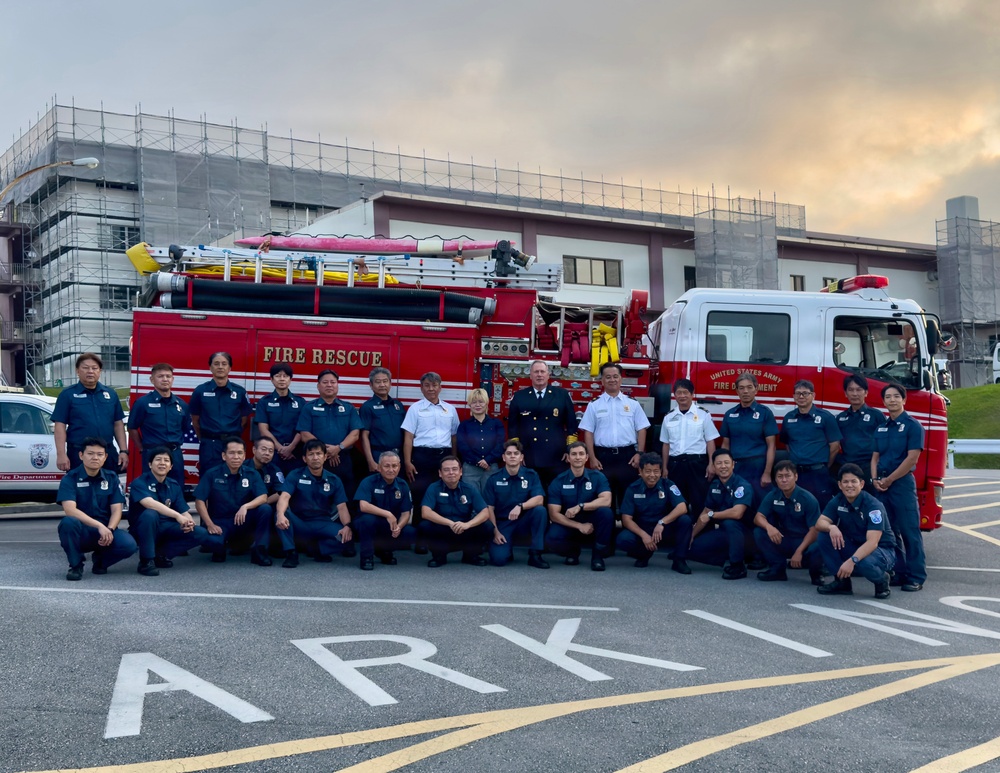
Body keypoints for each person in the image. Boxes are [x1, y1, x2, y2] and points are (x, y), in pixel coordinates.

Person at [275, 439, 366, 568]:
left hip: (323, 523)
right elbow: (284, 497)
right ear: (305, 458)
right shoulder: (295, 475)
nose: (315, 457)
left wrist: (347, 526)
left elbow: (342, 507)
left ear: (325, 457)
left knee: (346, 539)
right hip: (299, 522)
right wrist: (280, 514)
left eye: (318, 454)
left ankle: (316, 548)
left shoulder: (334, 480)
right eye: (311, 454)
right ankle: (291, 553)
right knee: (281, 514)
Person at [56, 437, 137, 580]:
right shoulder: (70, 478)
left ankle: (101, 560)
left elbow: (117, 509)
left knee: (129, 545)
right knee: (68, 523)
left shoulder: (111, 477)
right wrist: (99, 526)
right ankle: (75, 566)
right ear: (81, 455)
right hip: (83, 531)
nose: (95, 458)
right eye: (90, 453)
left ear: (105, 457)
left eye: (100, 454)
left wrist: (110, 529)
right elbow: (70, 510)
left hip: (106, 529)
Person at [872, 383, 926, 592]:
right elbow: (875, 457)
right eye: (888, 397)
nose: (892, 400)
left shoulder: (913, 426)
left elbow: (912, 457)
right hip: (882, 485)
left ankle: (916, 576)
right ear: (883, 401)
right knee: (890, 532)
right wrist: (875, 479)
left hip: (901, 484)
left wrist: (890, 479)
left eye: (896, 396)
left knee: (909, 530)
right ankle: (900, 572)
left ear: (904, 400)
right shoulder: (881, 427)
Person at [578, 362, 650, 513]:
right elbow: (588, 432)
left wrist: (639, 453)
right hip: (603, 458)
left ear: (621, 379)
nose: (612, 380)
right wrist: (591, 457)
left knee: (628, 501)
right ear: (602, 381)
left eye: (615, 376)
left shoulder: (633, 404)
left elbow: (642, 429)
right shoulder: (594, 405)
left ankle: (627, 535)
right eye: (608, 377)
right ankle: (607, 535)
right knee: (604, 502)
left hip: (628, 457)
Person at [814, 463, 895, 599]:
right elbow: (819, 523)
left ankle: (882, 580)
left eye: (853, 481)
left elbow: (873, 543)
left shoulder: (873, 506)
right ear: (840, 485)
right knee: (824, 536)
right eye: (845, 482)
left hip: (881, 550)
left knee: (863, 561)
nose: (849, 485)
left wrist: (851, 561)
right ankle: (842, 582)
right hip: (856, 545)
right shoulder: (839, 500)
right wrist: (831, 527)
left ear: (862, 484)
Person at [130, 446, 212, 576]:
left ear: (171, 466)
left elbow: (183, 509)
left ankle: (161, 555)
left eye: (166, 460)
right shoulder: (139, 482)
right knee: (150, 514)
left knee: (200, 533)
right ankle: (146, 561)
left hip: (166, 526)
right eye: (158, 460)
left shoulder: (173, 484)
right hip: (145, 528)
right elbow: (149, 503)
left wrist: (189, 522)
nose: (162, 463)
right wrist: (178, 516)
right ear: (150, 464)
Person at [193, 436, 273, 564]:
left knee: (265, 509)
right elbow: (199, 501)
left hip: (243, 520)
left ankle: (260, 551)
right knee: (214, 545)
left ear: (244, 455)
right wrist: (210, 524)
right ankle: (222, 545)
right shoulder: (212, 474)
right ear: (224, 456)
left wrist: (245, 506)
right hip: (220, 523)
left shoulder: (252, 474)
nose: (236, 456)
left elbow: (263, 497)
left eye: (240, 453)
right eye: (232, 453)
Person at [506, 360, 578, 490]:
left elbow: (571, 425)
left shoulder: (561, 395)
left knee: (556, 493)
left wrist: (570, 449)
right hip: (529, 454)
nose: (539, 375)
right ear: (530, 375)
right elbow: (513, 427)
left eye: (542, 372)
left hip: (557, 454)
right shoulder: (520, 397)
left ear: (548, 374)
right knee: (531, 491)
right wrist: (517, 452)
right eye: (536, 372)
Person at [402, 372, 459, 532]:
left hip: (444, 456)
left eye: (434, 385)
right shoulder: (415, 409)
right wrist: (407, 461)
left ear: (440, 387)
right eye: (427, 385)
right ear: (421, 388)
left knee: (443, 494)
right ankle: (420, 536)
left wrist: (454, 459)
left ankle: (441, 533)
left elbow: (454, 437)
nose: (431, 389)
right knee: (420, 494)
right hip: (422, 457)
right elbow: (408, 438)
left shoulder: (450, 409)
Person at [616, 452, 692, 572]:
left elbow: (682, 507)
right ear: (640, 472)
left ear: (661, 471)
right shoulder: (632, 489)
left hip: (663, 529)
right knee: (623, 540)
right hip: (643, 529)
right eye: (648, 471)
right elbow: (626, 519)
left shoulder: (668, 485)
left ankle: (679, 560)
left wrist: (662, 522)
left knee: (685, 520)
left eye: (656, 471)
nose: (652, 475)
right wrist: (644, 535)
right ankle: (644, 554)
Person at [53, 353, 127, 473]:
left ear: (100, 371)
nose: (90, 371)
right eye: (85, 368)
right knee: (80, 488)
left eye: (94, 368)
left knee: (108, 487)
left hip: (106, 452)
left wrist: (123, 451)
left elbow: (118, 424)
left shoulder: (110, 394)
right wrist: (61, 454)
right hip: (79, 452)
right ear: (77, 370)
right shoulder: (67, 395)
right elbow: (60, 425)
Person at [546, 441, 615, 571]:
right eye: (574, 454)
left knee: (606, 513)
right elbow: (554, 514)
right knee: (551, 538)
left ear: (587, 457)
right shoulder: (558, 481)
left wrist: (581, 506)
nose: (578, 457)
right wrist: (579, 526)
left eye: (581, 454)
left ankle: (597, 556)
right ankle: (572, 552)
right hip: (570, 522)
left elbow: (606, 500)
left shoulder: (598, 477)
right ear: (568, 458)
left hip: (591, 518)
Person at [752, 460, 823, 583]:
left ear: (795, 477)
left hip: (804, 542)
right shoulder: (773, 495)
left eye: (787, 476)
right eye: (780, 477)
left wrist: (799, 551)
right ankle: (777, 570)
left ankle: (816, 574)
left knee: (820, 544)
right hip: (784, 538)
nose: (784, 480)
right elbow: (758, 517)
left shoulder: (808, 498)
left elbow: (814, 530)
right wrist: (770, 528)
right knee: (759, 532)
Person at [688, 448, 754, 579]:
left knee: (730, 522)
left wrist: (712, 515)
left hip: (746, 535)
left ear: (733, 464)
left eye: (726, 463)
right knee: (693, 549)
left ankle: (738, 566)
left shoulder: (742, 485)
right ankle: (726, 559)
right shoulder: (715, 485)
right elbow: (705, 512)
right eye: (719, 463)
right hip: (724, 533)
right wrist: (691, 536)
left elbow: (737, 513)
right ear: (713, 466)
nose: (723, 466)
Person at [417, 455, 494, 568]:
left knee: (487, 526)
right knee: (424, 526)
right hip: (443, 529)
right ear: (440, 473)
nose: (451, 472)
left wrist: (468, 524)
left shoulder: (469, 488)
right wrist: (449, 523)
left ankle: (471, 555)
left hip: (465, 529)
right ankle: (439, 556)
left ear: (461, 472)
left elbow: (485, 512)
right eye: (446, 470)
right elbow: (425, 512)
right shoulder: (433, 488)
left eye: (454, 469)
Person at [296, 369, 364, 497]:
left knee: (345, 494)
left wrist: (338, 448)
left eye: (333, 382)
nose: (329, 385)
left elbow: (355, 433)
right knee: (317, 494)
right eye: (325, 382)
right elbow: (304, 434)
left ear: (338, 385)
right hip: (317, 459)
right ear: (318, 386)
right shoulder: (309, 407)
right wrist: (326, 451)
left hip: (343, 459)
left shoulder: (348, 407)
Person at [483, 440, 549, 568]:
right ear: (503, 457)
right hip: (503, 524)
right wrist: (495, 531)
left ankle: (535, 554)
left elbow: (539, 499)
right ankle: (507, 551)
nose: (512, 456)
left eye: (516, 453)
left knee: (540, 511)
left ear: (521, 457)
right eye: (509, 453)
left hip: (523, 521)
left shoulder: (531, 475)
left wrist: (521, 506)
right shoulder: (494, 478)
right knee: (498, 560)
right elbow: (489, 509)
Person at [128, 362, 193, 489]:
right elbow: (132, 427)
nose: (165, 379)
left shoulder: (181, 404)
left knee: (176, 488)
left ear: (172, 379)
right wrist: (142, 448)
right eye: (160, 376)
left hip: (175, 454)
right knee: (151, 489)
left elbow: (185, 427)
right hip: (152, 452)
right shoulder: (142, 403)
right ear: (152, 380)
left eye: (168, 376)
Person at [659, 378, 719, 517]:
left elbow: (710, 441)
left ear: (692, 394)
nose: (682, 396)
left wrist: (711, 464)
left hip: (697, 465)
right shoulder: (669, 417)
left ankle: (702, 537)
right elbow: (666, 444)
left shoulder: (704, 414)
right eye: (678, 392)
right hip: (676, 465)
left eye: (685, 392)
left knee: (700, 502)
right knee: (676, 503)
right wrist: (665, 467)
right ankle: (679, 537)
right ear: (674, 395)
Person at [719, 372, 777, 509]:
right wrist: (724, 468)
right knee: (736, 504)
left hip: (757, 467)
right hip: (736, 468)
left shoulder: (765, 413)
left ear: (756, 389)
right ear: (737, 391)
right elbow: (725, 445)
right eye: (742, 388)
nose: (746, 391)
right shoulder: (730, 414)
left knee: (760, 506)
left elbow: (772, 446)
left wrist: (767, 473)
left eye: (749, 387)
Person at [779, 380, 841, 506]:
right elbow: (787, 444)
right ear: (793, 396)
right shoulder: (788, 418)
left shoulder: (826, 417)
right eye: (798, 394)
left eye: (805, 393)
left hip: (818, 473)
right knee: (797, 506)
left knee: (821, 507)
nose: (801, 397)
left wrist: (823, 466)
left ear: (813, 395)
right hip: (796, 473)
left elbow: (834, 446)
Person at [189, 352, 253, 474]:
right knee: (208, 477)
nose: (220, 367)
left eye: (224, 364)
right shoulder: (200, 391)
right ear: (210, 368)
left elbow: (244, 420)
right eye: (216, 364)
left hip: (232, 444)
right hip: (209, 445)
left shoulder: (239, 391)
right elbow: (195, 421)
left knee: (233, 477)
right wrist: (206, 438)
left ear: (229, 368)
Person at [355, 450, 418, 568]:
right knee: (367, 521)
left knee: (410, 532)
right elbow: (363, 505)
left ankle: (384, 551)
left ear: (399, 467)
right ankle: (367, 557)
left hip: (391, 524)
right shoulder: (369, 481)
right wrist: (387, 514)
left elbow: (406, 513)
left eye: (394, 466)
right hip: (370, 522)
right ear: (379, 467)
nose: (391, 470)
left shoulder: (402, 485)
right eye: (387, 466)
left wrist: (399, 526)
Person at [836, 373, 886, 489]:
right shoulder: (840, 418)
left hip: (869, 467)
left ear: (866, 392)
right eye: (851, 390)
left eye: (859, 390)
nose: (854, 394)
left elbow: (885, 444)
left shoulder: (877, 416)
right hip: (848, 467)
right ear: (845, 393)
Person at [254, 363, 303, 475]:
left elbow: (303, 428)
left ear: (290, 379)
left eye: (285, 376)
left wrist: (291, 448)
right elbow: (263, 429)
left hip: (295, 453)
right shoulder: (264, 402)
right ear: (271, 379)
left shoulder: (300, 402)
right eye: (277, 376)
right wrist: (280, 449)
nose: (282, 379)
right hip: (273, 453)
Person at [457, 388, 506, 496]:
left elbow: (500, 444)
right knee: (471, 499)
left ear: (486, 403)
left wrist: (487, 460)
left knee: (490, 499)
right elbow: (462, 447)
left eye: (481, 401)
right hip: (470, 469)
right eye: (474, 402)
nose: (477, 405)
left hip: (491, 468)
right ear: (469, 404)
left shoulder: (496, 423)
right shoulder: (464, 425)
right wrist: (479, 461)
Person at [359, 367, 407, 473]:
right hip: (379, 456)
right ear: (371, 385)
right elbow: (364, 436)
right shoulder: (367, 407)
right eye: (378, 382)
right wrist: (370, 461)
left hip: (398, 456)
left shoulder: (398, 405)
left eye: (385, 381)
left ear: (390, 384)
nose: (382, 385)